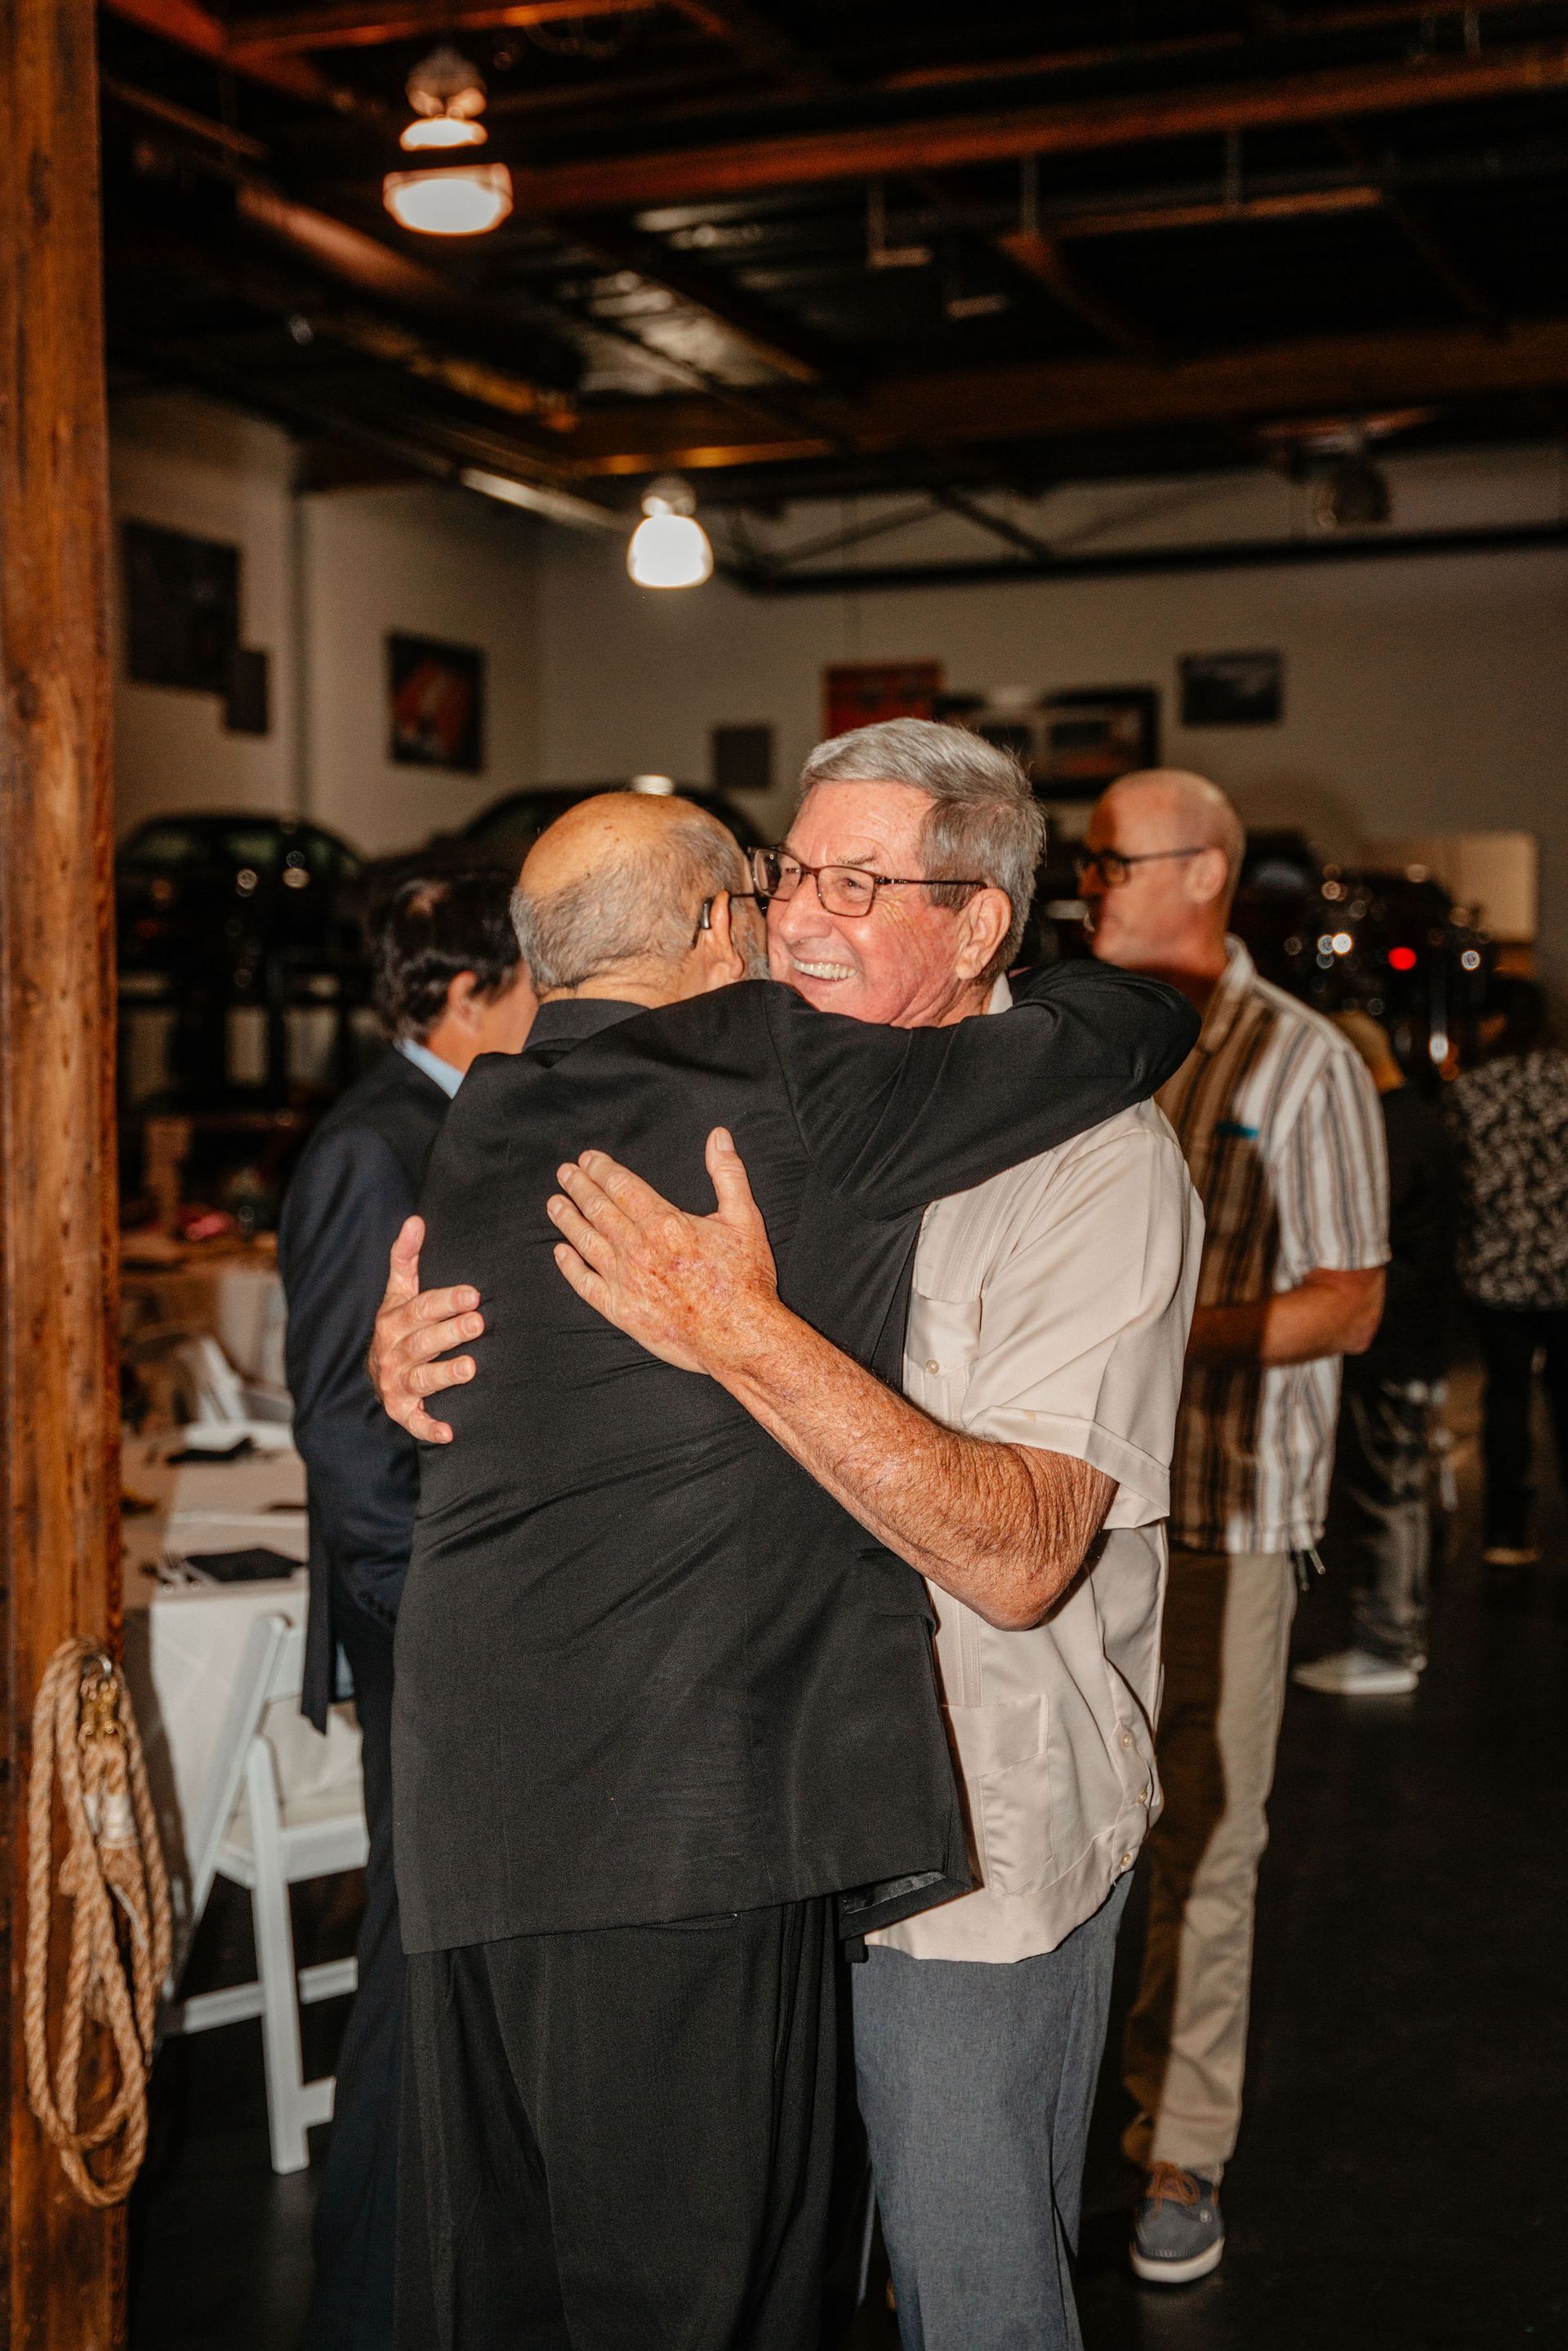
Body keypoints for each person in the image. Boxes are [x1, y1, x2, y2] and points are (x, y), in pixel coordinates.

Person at [372, 732, 1199, 2351]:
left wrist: (742, 1334)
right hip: (745, 1822)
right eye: (790, 872)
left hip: (970, 1829)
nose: (800, 918)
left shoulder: (1095, 1155)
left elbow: (1025, 1557)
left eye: (859, 882)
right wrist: (423, 1370)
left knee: (969, 2293)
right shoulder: (742, 1082)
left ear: (976, 927)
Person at [1077, 769, 1388, 2286]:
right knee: (1056, 1826)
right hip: (1068, 1506)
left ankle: (1181, 2140)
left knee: (1205, 1836)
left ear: (1199, 870)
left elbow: (1353, 1296)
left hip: (1222, 1511)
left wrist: (1162, 1335)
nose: (1087, 882)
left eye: (1109, 858)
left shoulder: (1300, 1060)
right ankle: (1033, 2131)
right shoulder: (1073, 1041)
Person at [277, 873, 534, 2351]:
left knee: (440, 1959)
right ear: (469, 988)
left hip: (449, 1608)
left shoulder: (438, 1120)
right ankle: (366, 2305)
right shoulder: (379, 1142)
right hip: (418, 1615)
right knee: (408, 1967)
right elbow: (341, 1430)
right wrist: (432, 1613)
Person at [1294, 1011, 1457, 1696]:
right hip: (1417, 1334)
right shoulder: (1424, 1117)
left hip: (1393, 1340)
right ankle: (1393, 1635)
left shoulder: (1386, 1132)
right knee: (1400, 1486)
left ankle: (1390, 1641)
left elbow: (1366, 1245)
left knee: (1388, 1492)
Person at [1445, 974, 1568, 1566]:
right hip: (1565, 1269)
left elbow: (1458, 1185)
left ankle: (1506, 1533)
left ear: (1496, 1021)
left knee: (1508, 1400)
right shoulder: (1566, 1081)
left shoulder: (1473, 1090)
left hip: (1497, 1272)